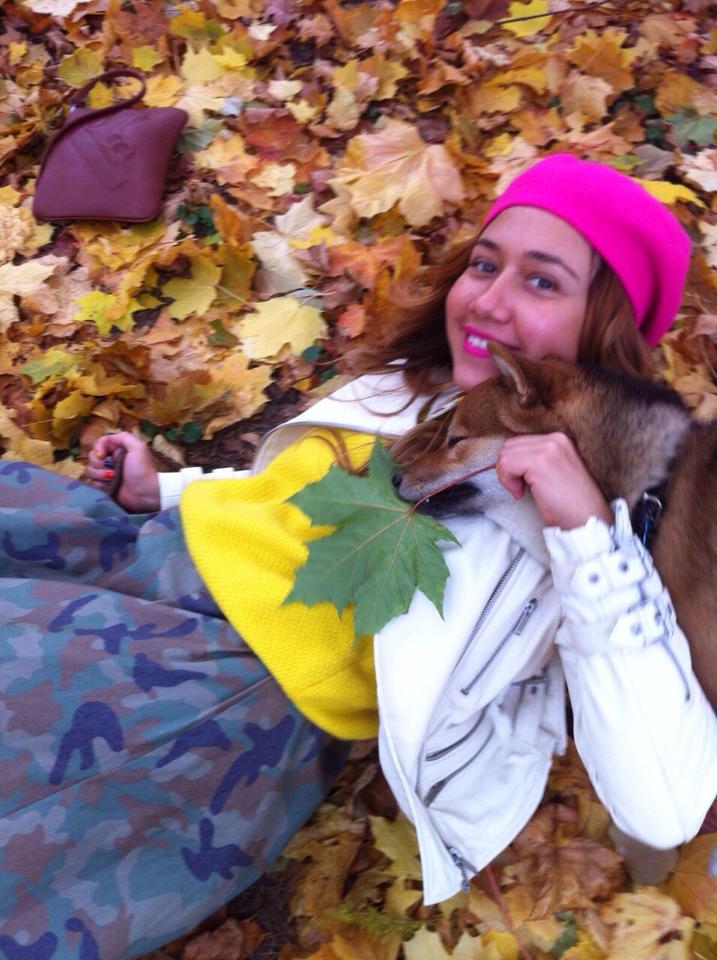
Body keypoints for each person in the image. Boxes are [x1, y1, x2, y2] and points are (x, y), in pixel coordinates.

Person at [1, 154, 716, 958]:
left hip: (204, 676)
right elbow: (294, 494)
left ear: (601, 330)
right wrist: (162, 491)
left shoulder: (582, 539)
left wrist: (585, 533)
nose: (488, 298)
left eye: (542, 282)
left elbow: (664, 804)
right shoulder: (428, 389)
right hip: (138, 557)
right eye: (484, 264)